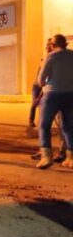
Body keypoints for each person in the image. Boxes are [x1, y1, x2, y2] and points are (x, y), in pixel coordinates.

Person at [35, 34, 73, 169]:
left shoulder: (50, 57)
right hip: (70, 95)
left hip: (52, 95)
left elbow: (40, 80)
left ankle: (46, 157)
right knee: (68, 127)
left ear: (52, 45)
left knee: (44, 125)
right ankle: (71, 158)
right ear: (66, 44)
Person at [29, 40, 53, 128]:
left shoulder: (52, 58)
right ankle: (31, 121)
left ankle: (42, 122)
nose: (47, 48)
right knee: (35, 103)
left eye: (49, 46)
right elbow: (40, 76)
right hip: (38, 85)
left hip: (46, 85)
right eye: (47, 46)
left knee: (43, 104)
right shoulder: (45, 59)